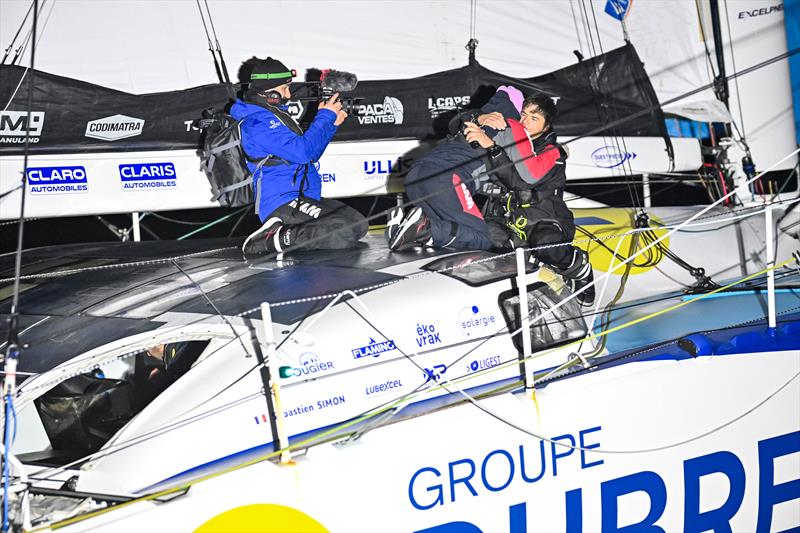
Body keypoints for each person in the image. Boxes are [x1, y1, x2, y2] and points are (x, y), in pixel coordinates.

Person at [392, 92, 595, 306]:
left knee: (545, 244)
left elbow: (522, 182)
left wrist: (491, 147)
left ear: (546, 127)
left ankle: (580, 269)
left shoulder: (551, 152)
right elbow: (455, 126)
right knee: (476, 239)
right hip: (507, 221)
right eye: (523, 114)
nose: (525, 121)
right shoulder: (507, 133)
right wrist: (480, 118)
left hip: (544, 219)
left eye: (534, 119)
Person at [233, 57, 368, 255]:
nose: (288, 95)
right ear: (269, 93)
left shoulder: (276, 115)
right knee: (343, 232)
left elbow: (311, 155)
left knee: (359, 224)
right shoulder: (257, 122)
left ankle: (285, 235)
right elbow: (303, 153)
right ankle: (270, 239)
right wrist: (325, 116)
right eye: (284, 89)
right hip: (281, 202)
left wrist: (331, 125)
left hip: (303, 197)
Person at [387, 86, 524, 251]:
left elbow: (455, 122)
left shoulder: (472, 121)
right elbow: (516, 176)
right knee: (483, 236)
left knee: (452, 229)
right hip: (445, 181)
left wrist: (479, 116)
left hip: (415, 176)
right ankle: (424, 230)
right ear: (517, 111)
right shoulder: (509, 129)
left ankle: (399, 228)